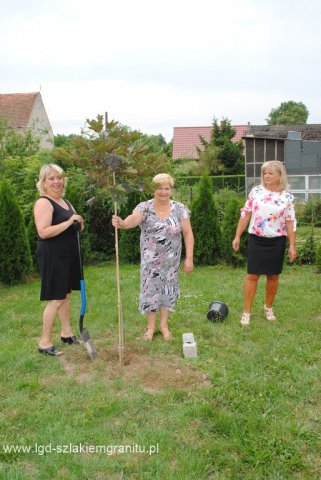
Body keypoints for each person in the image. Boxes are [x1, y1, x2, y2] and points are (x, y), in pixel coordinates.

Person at [112, 173, 194, 341]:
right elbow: (134, 219)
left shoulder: (179, 209)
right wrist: (123, 223)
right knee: (150, 292)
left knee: (167, 291)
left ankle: (164, 326)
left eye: (167, 188)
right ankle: (150, 328)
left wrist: (189, 258)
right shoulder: (145, 207)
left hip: (171, 262)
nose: (163, 192)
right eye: (159, 188)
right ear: (153, 190)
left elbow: (188, 234)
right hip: (151, 263)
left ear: (171, 190)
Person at [232, 160, 297, 326]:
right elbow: (246, 214)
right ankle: (246, 312)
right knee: (252, 275)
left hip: (277, 240)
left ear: (280, 175)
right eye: (265, 173)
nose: (267, 176)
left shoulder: (288, 197)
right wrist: (237, 236)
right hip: (256, 239)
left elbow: (290, 221)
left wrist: (292, 245)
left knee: (273, 276)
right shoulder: (256, 192)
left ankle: (268, 308)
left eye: (270, 173)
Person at [34, 164, 84, 356]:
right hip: (53, 255)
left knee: (66, 295)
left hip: (69, 255)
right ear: (43, 183)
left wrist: (78, 223)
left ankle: (66, 333)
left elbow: (72, 226)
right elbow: (43, 232)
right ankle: (44, 342)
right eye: (51, 179)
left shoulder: (65, 201)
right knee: (56, 298)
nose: (56, 182)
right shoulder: (44, 203)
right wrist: (69, 222)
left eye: (59, 178)